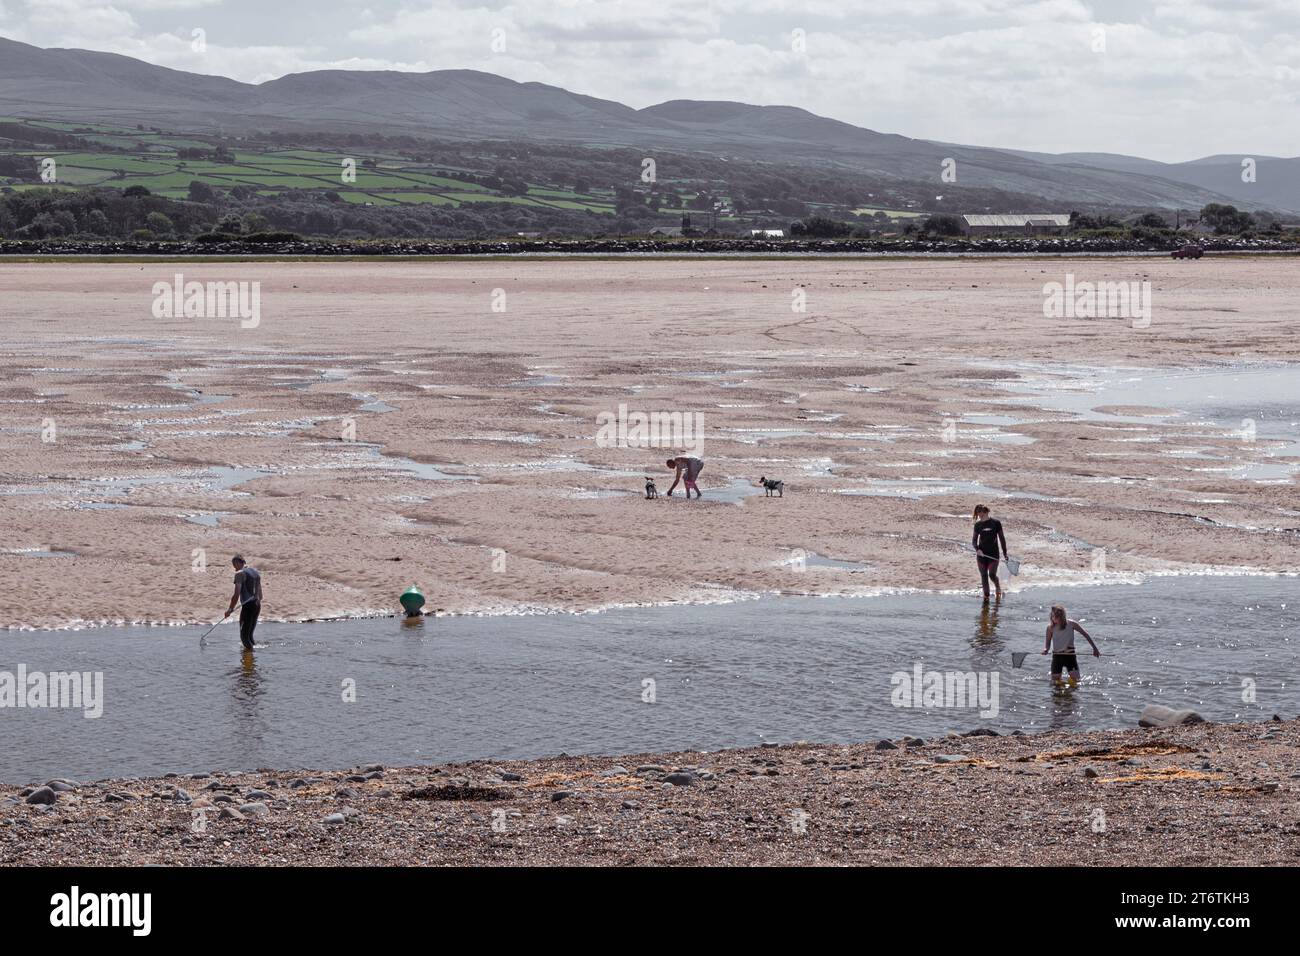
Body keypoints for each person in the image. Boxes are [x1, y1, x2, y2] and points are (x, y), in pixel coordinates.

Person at [1041, 604, 1099, 685]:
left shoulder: (1071, 624)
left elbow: (1085, 634)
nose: (1054, 618)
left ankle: (1070, 694)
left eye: (1056, 616)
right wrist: (1046, 650)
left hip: (1070, 655)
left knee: (1076, 681)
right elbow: (1047, 644)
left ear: (1062, 616)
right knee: (1055, 683)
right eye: (1053, 616)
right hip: (1057, 656)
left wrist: (1094, 648)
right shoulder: (1050, 628)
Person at [224, 555, 263, 651]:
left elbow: (236, 594)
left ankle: (249, 663)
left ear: (237, 563)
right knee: (249, 635)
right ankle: (252, 658)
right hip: (257, 605)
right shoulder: (255, 572)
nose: (234, 568)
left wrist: (230, 609)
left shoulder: (239, 574)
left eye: (234, 565)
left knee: (244, 637)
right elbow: (260, 595)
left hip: (248, 606)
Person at [971, 504, 1008, 601]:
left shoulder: (996, 523)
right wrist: (977, 549)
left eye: (981, 513)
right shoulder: (978, 525)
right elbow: (974, 541)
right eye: (978, 514)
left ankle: (997, 585)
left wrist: (1005, 553)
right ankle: (986, 597)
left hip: (993, 554)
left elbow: (1002, 538)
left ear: (986, 512)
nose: (980, 516)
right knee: (984, 576)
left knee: (991, 575)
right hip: (981, 555)